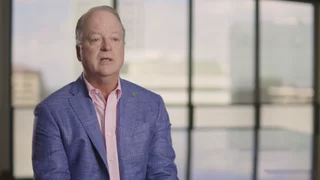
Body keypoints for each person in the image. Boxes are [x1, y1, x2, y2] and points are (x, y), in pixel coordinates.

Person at [32, 5, 178, 180]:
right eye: (95, 39)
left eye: (115, 39)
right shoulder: (52, 112)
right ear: (79, 51)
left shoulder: (153, 106)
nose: (107, 46)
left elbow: (162, 174)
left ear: (123, 47)